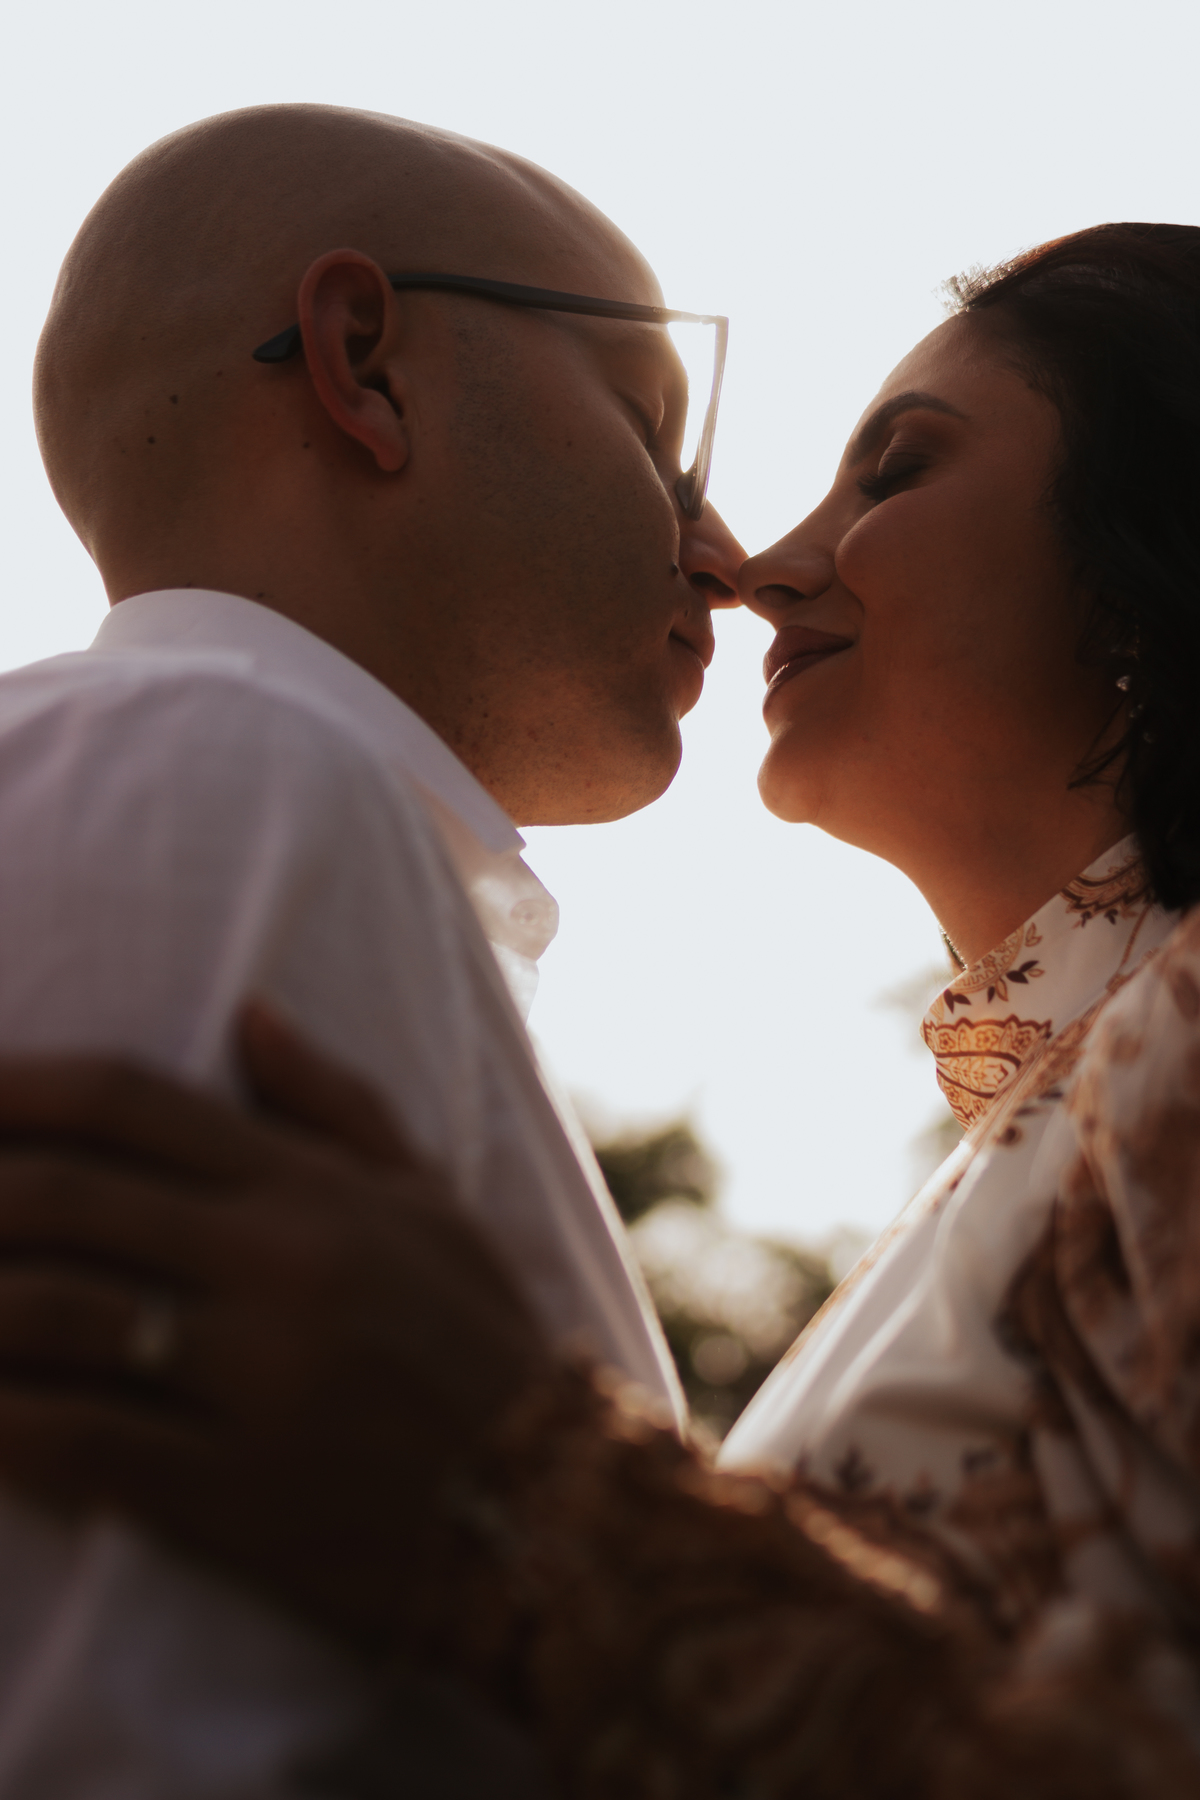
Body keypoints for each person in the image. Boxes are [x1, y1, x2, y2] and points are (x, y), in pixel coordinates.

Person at [4, 219, 1200, 1796]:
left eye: (897, 470)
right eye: (655, 444)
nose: (760, 565)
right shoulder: (1004, 1168)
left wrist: (517, 1493)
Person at [0, 101, 748, 1794]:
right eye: (657, 438)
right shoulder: (214, 773)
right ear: (366, 366)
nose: (726, 551)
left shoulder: (221, 799)